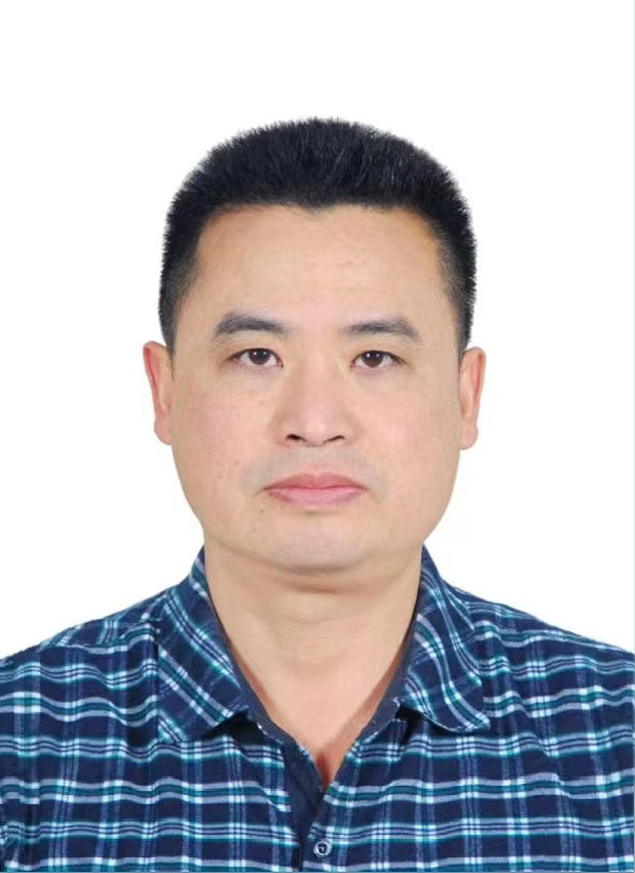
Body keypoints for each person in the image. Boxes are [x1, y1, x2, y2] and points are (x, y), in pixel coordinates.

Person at [0, 118, 632, 873]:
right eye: (256, 355)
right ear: (164, 391)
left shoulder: (615, 742)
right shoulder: (21, 745)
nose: (314, 420)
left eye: (375, 356)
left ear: (466, 397)